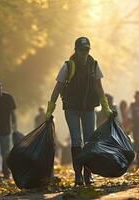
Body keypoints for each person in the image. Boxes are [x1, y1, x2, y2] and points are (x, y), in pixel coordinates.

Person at [45, 37, 113, 186]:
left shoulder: (94, 65)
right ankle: (78, 176)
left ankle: (88, 174)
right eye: (82, 50)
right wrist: (50, 109)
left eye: (87, 50)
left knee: (89, 140)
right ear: (75, 50)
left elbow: (99, 87)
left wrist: (106, 108)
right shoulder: (68, 66)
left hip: (89, 108)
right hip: (71, 108)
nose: (84, 53)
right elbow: (58, 87)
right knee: (76, 140)